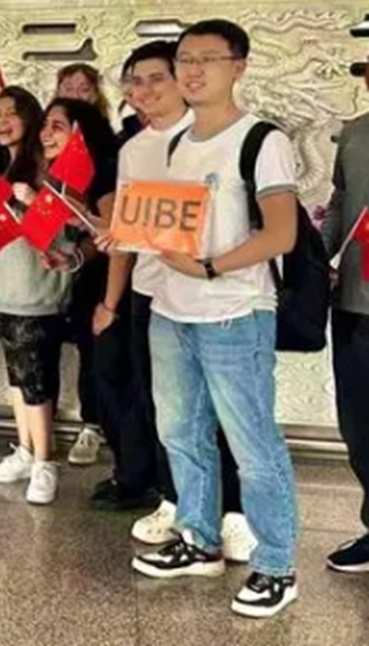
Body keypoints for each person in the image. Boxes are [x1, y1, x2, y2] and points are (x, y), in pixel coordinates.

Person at [131, 19, 300, 619]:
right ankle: (199, 538)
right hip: (172, 312)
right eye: (185, 59)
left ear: (240, 66)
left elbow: (281, 233)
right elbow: (172, 226)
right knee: (180, 432)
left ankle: (276, 565)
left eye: (208, 58)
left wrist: (209, 268)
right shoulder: (179, 144)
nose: (193, 70)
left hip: (233, 313)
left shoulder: (261, 139)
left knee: (253, 446)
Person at [94, 42, 253, 554]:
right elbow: (129, 231)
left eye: (155, 78)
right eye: (134, 81)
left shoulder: (215, 136)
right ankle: (175, 498)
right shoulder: (134, 148)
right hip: (152, 293)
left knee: (221, 408)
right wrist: (112, 298)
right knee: (167, 406)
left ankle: (232, 510)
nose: (144, 90)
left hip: (213, 295)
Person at [0, 86, 73, 503]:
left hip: (38, 293)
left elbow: (62, 237)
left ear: (31, 118)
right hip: (3, 290)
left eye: (12, 113)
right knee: (19, 380)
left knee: (37, 380)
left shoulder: (49, 170)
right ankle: (24, 450)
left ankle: (45, 461)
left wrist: (31, 203)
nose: (3, 122)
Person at [321, 56, 369, 573]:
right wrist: (321, 257)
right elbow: (340, 203)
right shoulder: (355, 136)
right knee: (360, 425)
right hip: (355, 303)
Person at [55, 63, 114, 466]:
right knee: (84, 342)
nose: (77, 94)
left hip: (108, 266)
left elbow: (111, 227)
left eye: (85, 88)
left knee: (104, 349)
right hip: (63, 266)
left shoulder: (111, 150)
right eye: (68, 88)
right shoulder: (47, 149)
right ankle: (90, 423)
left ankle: (103, 425)